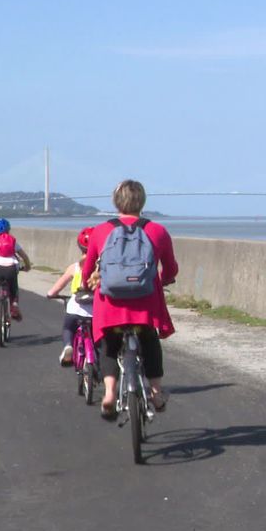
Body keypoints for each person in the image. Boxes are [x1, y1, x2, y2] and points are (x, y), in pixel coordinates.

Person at [81, 180, 178, 420]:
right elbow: (171, 268)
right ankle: (156, 393)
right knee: (150, 341)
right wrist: (165, 280)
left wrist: (87, 284)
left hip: (110, 303)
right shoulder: (157, 231)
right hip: (146, 301)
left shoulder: (101, 231)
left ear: (116, 202)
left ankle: (110, 394)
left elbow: (87, 269)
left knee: (109, 345)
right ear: (142, 201)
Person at [46, 227, 95, 366]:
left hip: (76, 308)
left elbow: (56, 288)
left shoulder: (75, 267)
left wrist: (51, 294)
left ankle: (68, 346)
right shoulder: (101, 267)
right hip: (95, 310)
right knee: (99, 338)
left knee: (68, 328)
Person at [0, 218, 32, 325]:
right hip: (11, 268)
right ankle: (14, 304)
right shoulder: (12, 240)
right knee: (14, 287)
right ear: (8, 230)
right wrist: (27, 266)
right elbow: (24, 256)